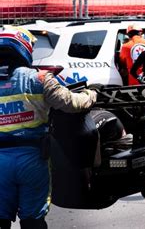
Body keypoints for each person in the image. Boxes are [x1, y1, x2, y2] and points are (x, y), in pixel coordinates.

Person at [0, 26, 97, 229]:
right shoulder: (39, 78)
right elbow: (72, 104)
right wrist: (91, 94)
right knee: (33, 219)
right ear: (24, 48)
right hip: (32, 159)